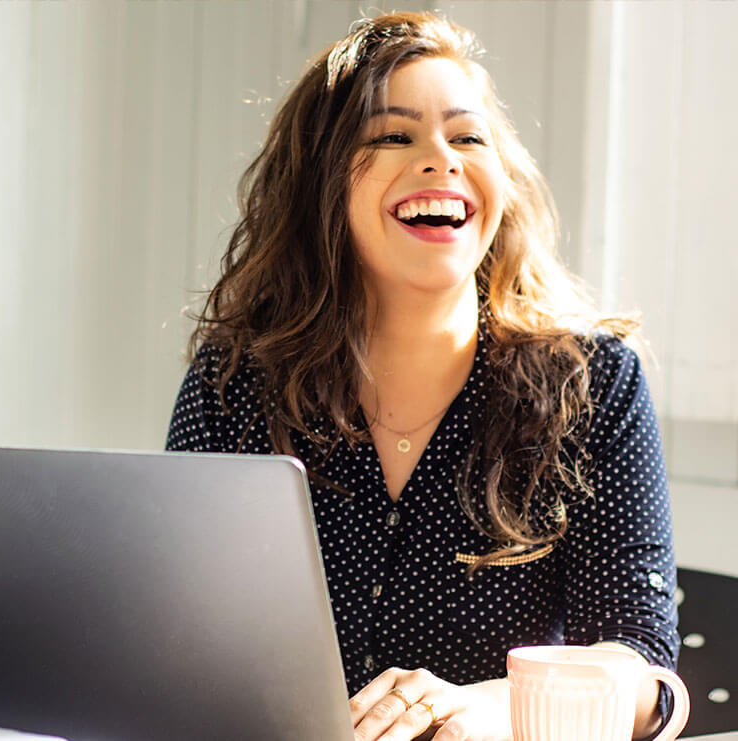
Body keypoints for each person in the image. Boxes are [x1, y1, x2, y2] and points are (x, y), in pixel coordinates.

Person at [165, 11, 678, 741]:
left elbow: (642, 669)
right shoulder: (234, 383)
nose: (442, 159)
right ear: (321, 186)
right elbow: (172, 641)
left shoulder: (594, 386)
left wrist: (486, 708)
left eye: (469, 137)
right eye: (393, 136)